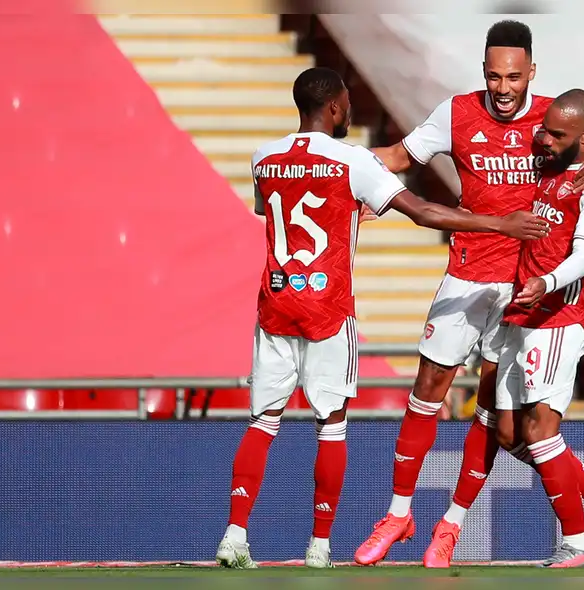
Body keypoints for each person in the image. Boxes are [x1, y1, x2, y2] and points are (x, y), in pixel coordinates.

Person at [215, 66, 551, 570]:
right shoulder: (353, 161)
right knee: (330, 428)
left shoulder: (263, 158)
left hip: (275, 305)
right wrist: (500, 224)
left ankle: (235, 535)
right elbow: (422, 212)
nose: (350, 111)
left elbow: (273, 213)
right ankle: (320, 547)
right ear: (332, 108)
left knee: (262, 422)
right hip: (328, 310)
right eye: (347, 103)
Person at [355, 19, 584, 568]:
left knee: (504, 427)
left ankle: (450, 528)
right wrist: (339, 168)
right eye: (493, 77)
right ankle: (397, 513)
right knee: (429, 388)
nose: (503, 88)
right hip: (466, 273)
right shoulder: (457, 112)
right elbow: (398, 157)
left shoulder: (557, 118)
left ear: (531, 73)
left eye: (513, 77)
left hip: (523, 289)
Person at [495, 88, 584, 568]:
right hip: (523, 314)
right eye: (546, 130)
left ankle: (575, 542)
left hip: (558, 316)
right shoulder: (553, 162)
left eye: (557, 134)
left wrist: (546, 281)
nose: (545, 140)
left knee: (540, 431)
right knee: (508, 433)